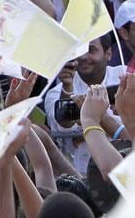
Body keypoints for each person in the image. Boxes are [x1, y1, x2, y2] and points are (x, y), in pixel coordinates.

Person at [43, 35, 125, 173]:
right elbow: (63, 129)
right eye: (79, 51)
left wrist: (88, 123)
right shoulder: (56, 92)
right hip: (81, 175)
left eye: (91, 50)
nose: (83, 57)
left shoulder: (124, 78)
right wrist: (67, 87)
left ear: (108, 54)